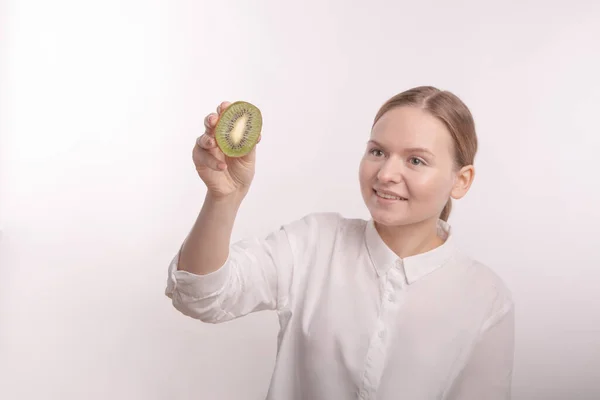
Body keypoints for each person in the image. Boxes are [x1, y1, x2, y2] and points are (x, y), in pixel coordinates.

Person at [165, 86, 515, 400]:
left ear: (461, 180)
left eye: (415, 160)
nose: (386, 174)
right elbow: (200, 297)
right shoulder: (315, 242)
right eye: (377, 152)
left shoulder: (486, 297)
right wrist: (223, 198)